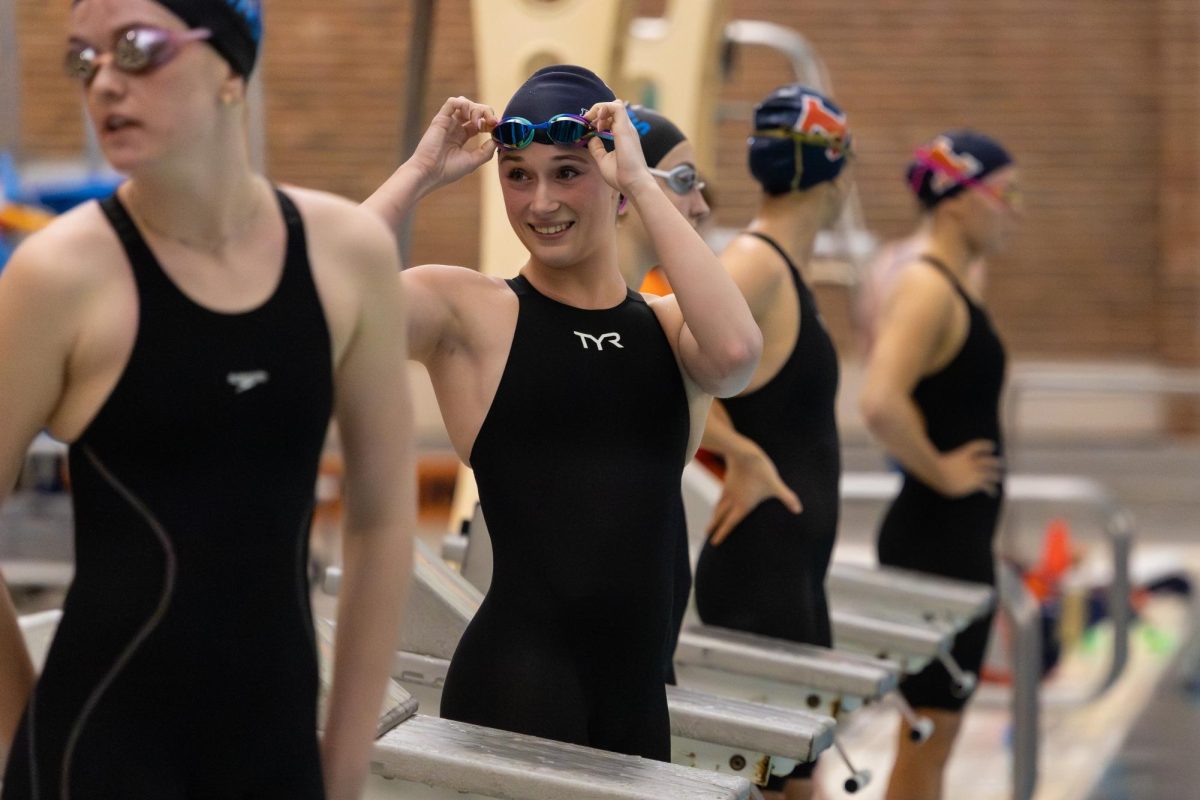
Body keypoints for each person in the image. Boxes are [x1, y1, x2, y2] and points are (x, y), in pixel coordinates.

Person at [0, 2, 414, 797]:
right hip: (95, 756)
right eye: (84, 61)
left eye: (137, 50)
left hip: (278, 758)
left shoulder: (346, 256)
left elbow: (383, 518)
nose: (105, 83)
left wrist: (347, 769)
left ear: (230, 64)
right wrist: (24, 741)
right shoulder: (58, 277)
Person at [364, 65, 761, 760]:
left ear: (611, 175)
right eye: (518, 175)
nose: (540, 201)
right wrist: (423, 170)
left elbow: (735, 351)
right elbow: (312, 301)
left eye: (567, 172)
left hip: (638, 707)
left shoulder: (671, 329)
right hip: (514, 693)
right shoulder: (470, 313)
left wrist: (641, 182)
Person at [690, 84, 851, 800]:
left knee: (795, 785)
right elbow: (663, 373)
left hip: (787, 568)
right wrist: (739, 453)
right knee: (790, 787)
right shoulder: (754, 266)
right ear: (835, 174)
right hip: (760, 570)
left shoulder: (779, 269)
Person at [859, 130, 1019, 800]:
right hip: (935, 543)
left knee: (935, 737)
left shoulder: (956, 280)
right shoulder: (927, 288)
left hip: (952, 540)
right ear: (960, 201)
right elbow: (878, 402)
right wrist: (942, 470)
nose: (1016, 212)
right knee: (927, 737)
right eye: (1008, 197)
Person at [612, 104, 711, 685]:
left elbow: (735, 355)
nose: (700, 204)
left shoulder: (670, 324)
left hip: (649, 659)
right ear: (622, 186)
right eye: (683, 182)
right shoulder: (517, 319)